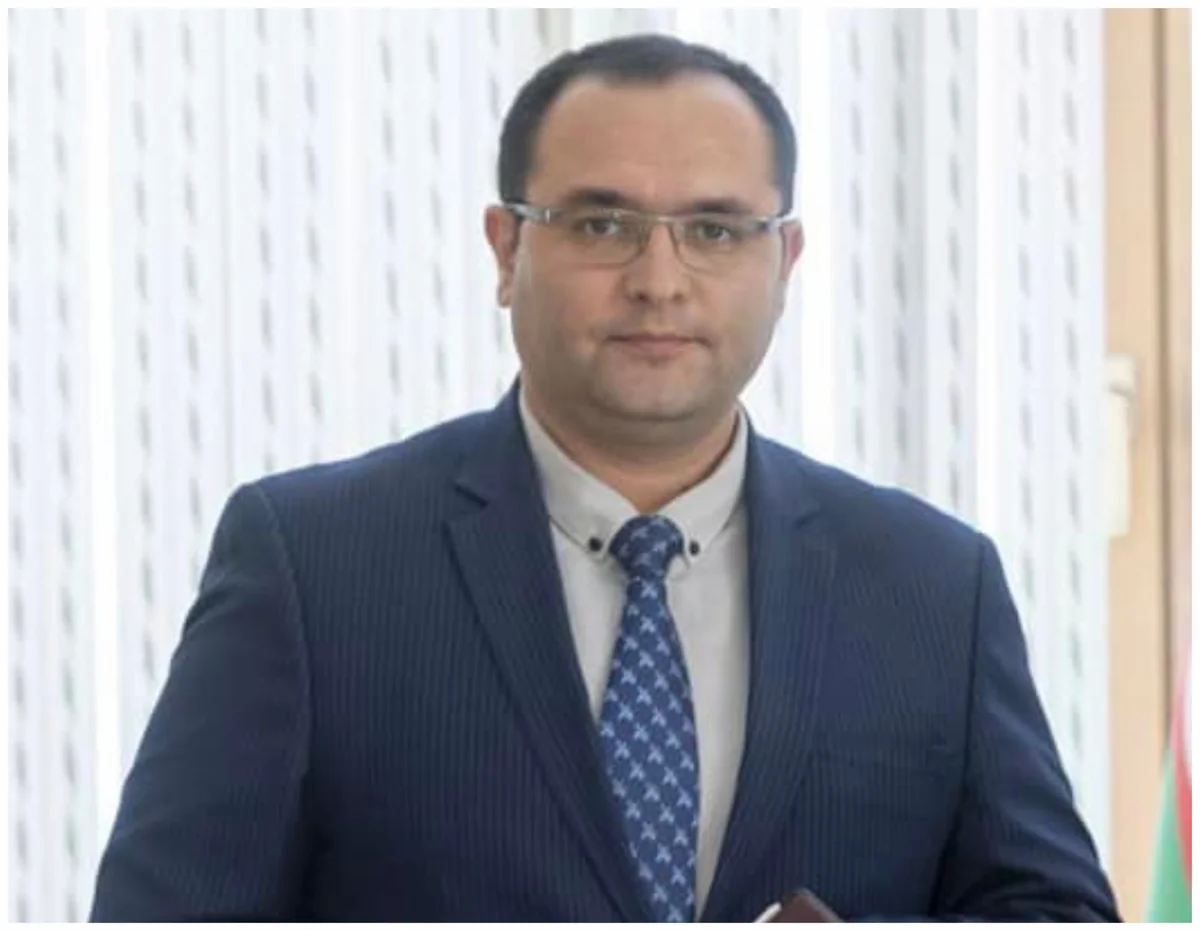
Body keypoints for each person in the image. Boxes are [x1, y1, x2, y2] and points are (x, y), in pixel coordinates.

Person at [90, 33, 1119, 922]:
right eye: (600, 224)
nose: (659, 280)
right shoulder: (313, 563)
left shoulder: (935, 584)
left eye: (715, 229)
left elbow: (1051, 910)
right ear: (506, 249)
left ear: (784, 263)